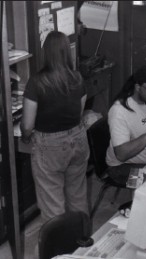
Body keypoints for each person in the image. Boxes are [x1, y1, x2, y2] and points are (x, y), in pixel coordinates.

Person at [20, 31, 90, 223]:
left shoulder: (36, 82)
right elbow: (79, 110)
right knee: (77, 196)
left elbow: (27, 125)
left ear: (46, 53)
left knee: (53, 205)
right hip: (78, 138)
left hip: (49, 145)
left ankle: (58, 250)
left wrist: (26, 137)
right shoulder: (77, 78)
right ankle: (81, 243)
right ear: (67, 52)